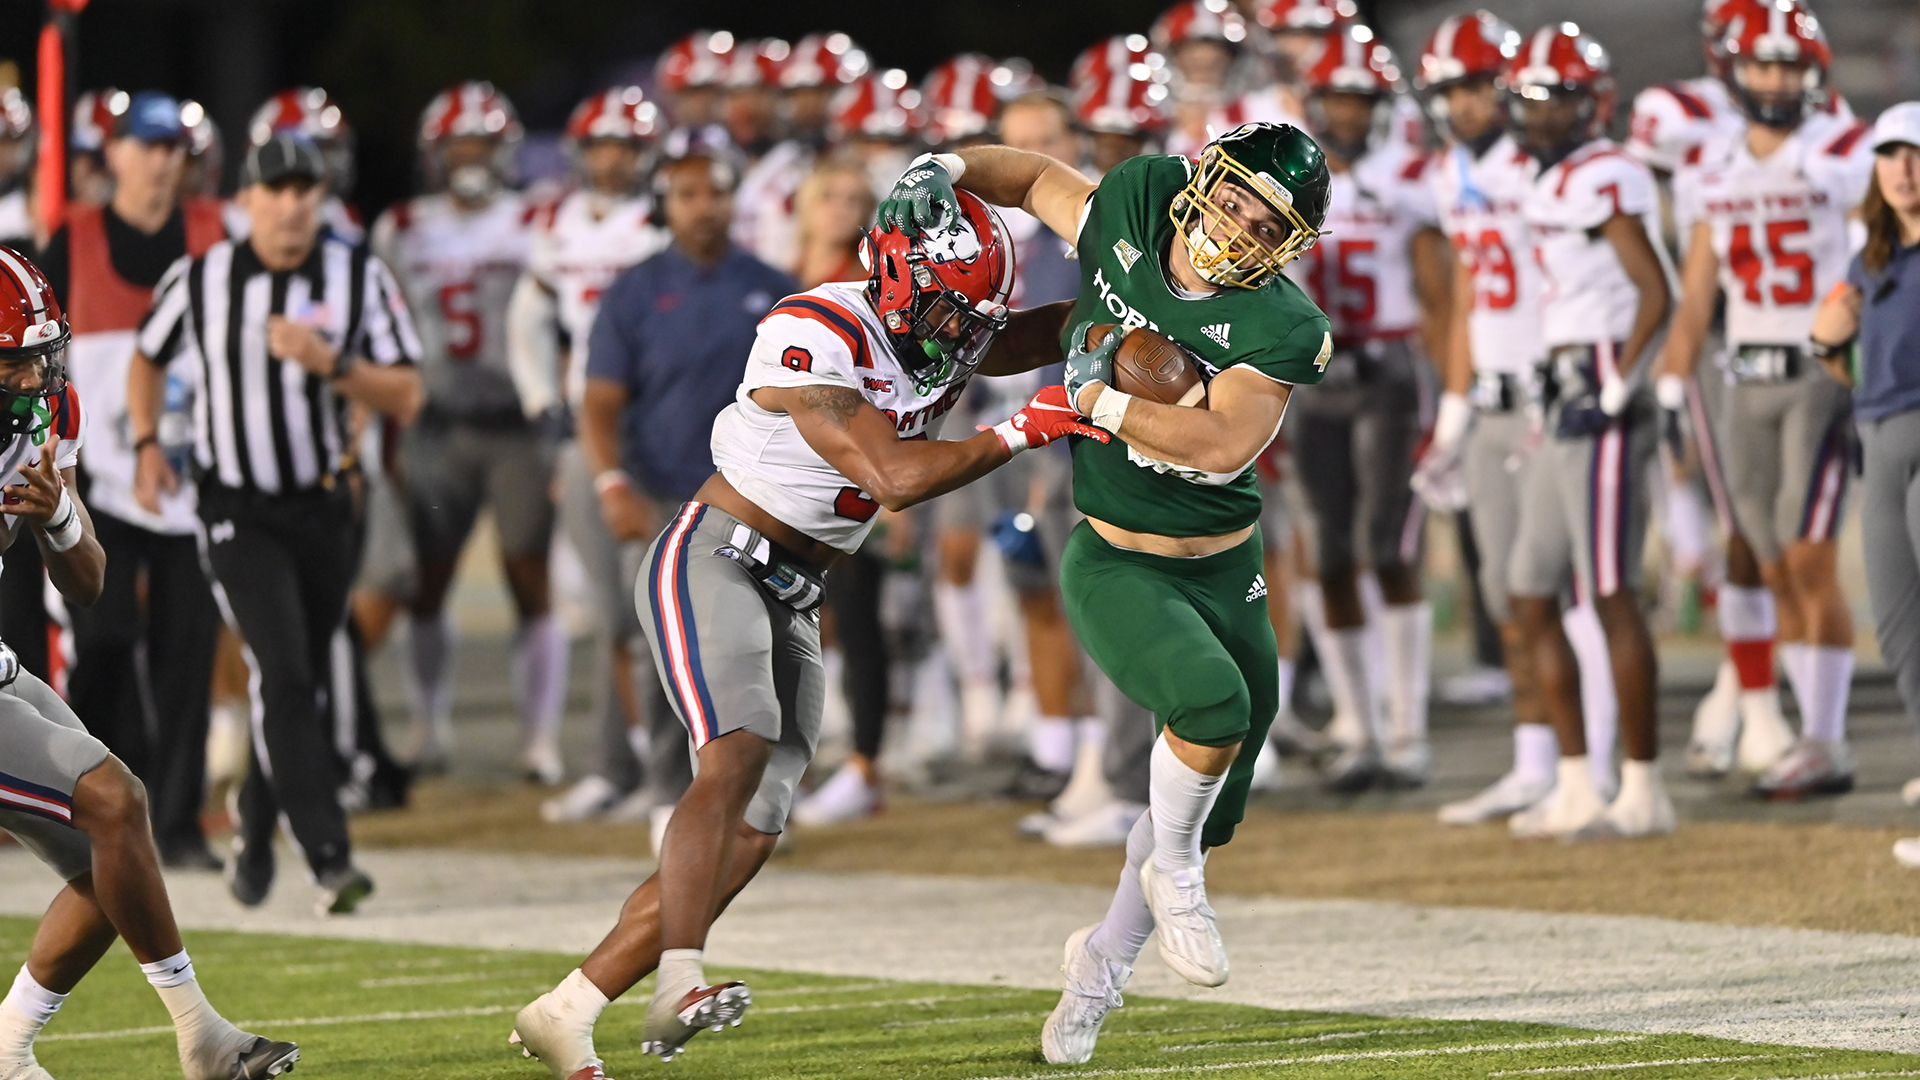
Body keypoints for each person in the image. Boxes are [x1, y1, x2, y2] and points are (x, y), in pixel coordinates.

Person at [508, 184, 1086, 1073]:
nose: (964, 331)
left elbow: (1042, 332)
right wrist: (1023, 430)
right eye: (950, 307)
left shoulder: (940, 326)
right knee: (735, 752)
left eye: (974, 313)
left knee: (757, 824)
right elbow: (893, 477)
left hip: (795, 590)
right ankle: (679, 979)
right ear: (898, 279)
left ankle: (568, 1008)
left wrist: (1147, 307)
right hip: (715, 556)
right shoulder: (816, 329)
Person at [882, 120, 1333, 1062]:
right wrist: (945, 166)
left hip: (1228, 568)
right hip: (1119, 556)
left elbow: (1223, 444)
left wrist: (1098, 399)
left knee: (1206, 796)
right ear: (1204, 180)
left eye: (1268, 224)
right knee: (1210, 711)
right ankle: (1178, 880)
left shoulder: (1284, 323)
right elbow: (1032, 177)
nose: (1242, 227)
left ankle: (1098, 970)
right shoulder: (1137, 199)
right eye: (1238, 199)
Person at [0, 244, 301, 1080]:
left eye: (40, 357)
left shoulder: (46, 417)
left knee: (113, 856)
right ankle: (202, 1037)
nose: (35, 378)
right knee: (117, 803)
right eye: (14, 362)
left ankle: (7, 1048)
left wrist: (58, 518)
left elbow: (89, 583)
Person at [128, 134, 424, 914]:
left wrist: (333, 364)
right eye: (277, 190)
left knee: (298, 680)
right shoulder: (202, 278)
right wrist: (148, 442)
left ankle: (255, 832)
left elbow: (407, 392)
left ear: (321, 199)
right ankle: (329, 855)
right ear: (247, 200)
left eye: (304, 190)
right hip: (235, 508)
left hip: (323, 508)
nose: (291, 205)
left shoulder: (358, 275)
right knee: (286, 672)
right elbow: (146, 356)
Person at [1655, 1, 1871, 800]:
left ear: (1815, 73)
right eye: (1763, 65)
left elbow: (1878, 252)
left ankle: (1827, 739)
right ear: (1736, 70)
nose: (1776, 81)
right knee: (1771, 560)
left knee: (1810, 557)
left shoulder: (1844, 149)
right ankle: (1807, 732)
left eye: (1790, 66)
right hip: (1742, 376)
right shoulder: (1712, 162)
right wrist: (1673, 377)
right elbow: (1698, 286)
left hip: (1818, 375)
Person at [574, 142, 797, 851]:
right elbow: (599, 402)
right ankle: (669, 796)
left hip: (753, 495)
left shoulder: (774, 286)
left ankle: (762, 800)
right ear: (664, 204)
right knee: (662, 649)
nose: (704, 207)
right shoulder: (634, 291)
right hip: (662, 492)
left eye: (717, 193)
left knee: (768, 647)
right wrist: (612, 482)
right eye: (689, 194)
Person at [33, 91, 227, 871]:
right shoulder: (73, 239)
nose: (162, 162)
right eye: (147, 146)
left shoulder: (215, 235)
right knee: (105, 637)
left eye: (174, 149)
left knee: (188, 651)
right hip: (102, 484)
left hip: (195, 485)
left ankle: (178, 823)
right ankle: (95, 797)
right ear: (112, 153)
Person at [1500, 25, 1676, 840]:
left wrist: (1618, 385)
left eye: (1557, 99)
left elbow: (1657, 291)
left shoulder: (1607, 171)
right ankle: (1576, 782)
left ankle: (1644, 788)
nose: (1541, 114)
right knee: (1530, 589)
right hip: (1559, 384)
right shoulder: (1549, 175)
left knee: (1610, 590)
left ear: (1591, 103)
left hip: (1602, 384)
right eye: (1531, 99)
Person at [1628, 0, 1800, 781]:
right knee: (1745, 525)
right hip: (1718, 330)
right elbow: (1651, 223)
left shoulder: (1818, 122)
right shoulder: (1676, 113)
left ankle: (1735, 697)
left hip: (1801, 333)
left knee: (1790, 531)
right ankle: (1750, 705)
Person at [373, 82, 561, 782]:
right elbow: (381, 324)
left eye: (482, 145)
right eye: (459, 146)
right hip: (437, 422)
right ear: (435, 154)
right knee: (427, 581)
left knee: (529, 576)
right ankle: (429, 728)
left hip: (518, 422)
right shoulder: (402, 226)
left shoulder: (538, 219)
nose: (471, 159)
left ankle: (539, 739)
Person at [1285, 24, 1451, 792]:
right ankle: (1359, 726)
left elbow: (1439, 294)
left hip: (1388, 373)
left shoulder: (1412, 176)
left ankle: (1409, 731)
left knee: (1387, 550)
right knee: (1328, 556)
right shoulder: (1285, 175)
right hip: (1313, 379)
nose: (1349, 115)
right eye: (1338, 99)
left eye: (1362, 100)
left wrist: (1451, 398)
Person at [509, 87, 671, 825]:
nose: (611, 161)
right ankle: (618, 762)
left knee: (647, 608)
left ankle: (653, 766)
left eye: (624, 146)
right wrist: (541, 397)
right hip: (588, 427)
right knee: (612, 610)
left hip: (654, 430)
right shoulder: (560, 221)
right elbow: (528, 315)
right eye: (601, 146)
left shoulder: (660, 223)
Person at [1808, 101, 1920, 863]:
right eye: (1890, 155)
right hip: (1878, 446)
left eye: (1915, 154)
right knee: (1902, 630)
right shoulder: (1869, 259)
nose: (1903, 170)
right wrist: (1823, 344)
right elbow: (1848, 363)